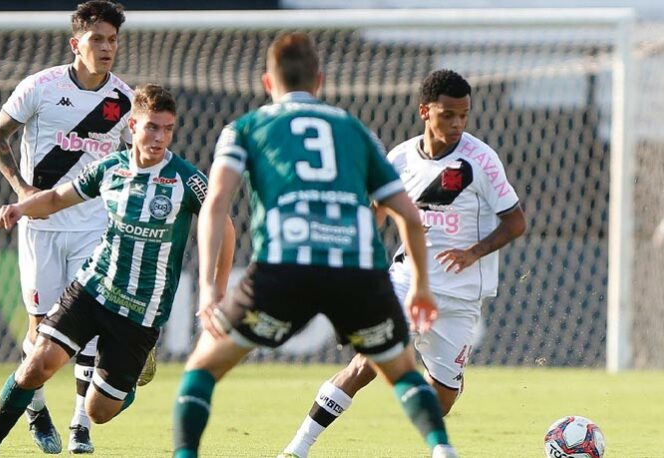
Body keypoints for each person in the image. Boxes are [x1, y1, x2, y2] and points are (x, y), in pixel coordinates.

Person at [171, 33, 459, 458]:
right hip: (357, 271)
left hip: (284, 268)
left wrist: (210, 290)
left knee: (202, 368)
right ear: (320, 81)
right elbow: (408, 215)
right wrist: (419, 285)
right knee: (401, 371)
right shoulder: (354, 129)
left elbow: (216, 204)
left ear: (268, 83)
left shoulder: (246, 128)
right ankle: (441, 449)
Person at [0, 84, 236, 458]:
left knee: (98, 412)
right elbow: (56, 198)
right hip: (92, 288)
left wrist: (214, 291)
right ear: (132, 125)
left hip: (141, 311)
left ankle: (128, 380)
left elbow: (224, 228)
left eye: (168, 129)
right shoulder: (110, 168)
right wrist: (21, 207)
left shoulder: (186, 179)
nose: (160, 137)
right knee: (38, 364)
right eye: (152, 126)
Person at [279, 69, 526, 458]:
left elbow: (516, 222)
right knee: (365, 365)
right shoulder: (400, 158)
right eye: (448, 115)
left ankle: (440, 400)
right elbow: (376, 212)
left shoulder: (481, 160)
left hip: (461, 295)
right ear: (424, 111)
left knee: (442, 397)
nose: (458, 123)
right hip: (406, 280)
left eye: (464, 114)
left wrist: (473, 253)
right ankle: (297, 449)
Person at [0, 0, 138, 454]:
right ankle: (34, 408)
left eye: (112, 40)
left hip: (94, 225)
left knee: (87, 327)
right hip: (42, 228)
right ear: (77, 43)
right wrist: (21, 188)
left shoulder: (124, 99)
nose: (107, 47)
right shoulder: (41, 86)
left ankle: (79, 426)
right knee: (39, 334)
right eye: (97, 40)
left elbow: (138, 158)